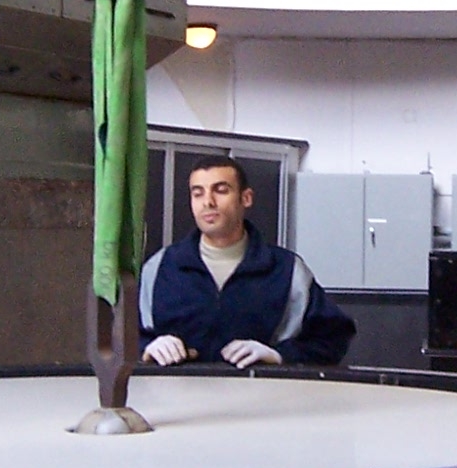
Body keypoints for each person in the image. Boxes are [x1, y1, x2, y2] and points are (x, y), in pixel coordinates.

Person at [140, 157, 354, 369]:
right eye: (198, 193)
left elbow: (333, 338)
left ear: (246, 198)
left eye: (221, 190)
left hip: (261, 391)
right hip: (175, 391)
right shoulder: (161, 267)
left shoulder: (286, 270)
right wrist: (147, 347)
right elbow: (127, 336)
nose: (208, 202)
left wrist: (279, 355)